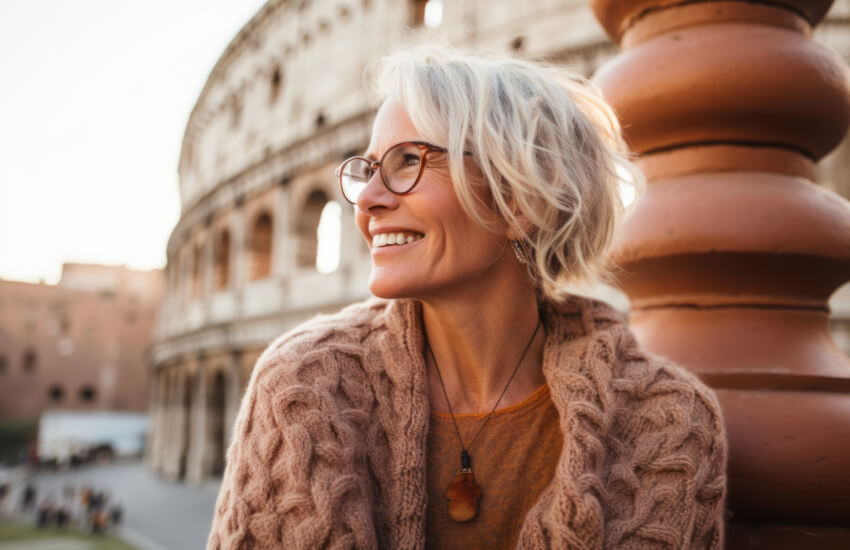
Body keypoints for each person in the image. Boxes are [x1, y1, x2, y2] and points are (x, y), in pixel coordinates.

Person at [207, 48, 727, 550]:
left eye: (409, 161)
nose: (367, 201)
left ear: (519, 201)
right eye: (369, 170)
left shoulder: (670, 423)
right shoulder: (302, 385)